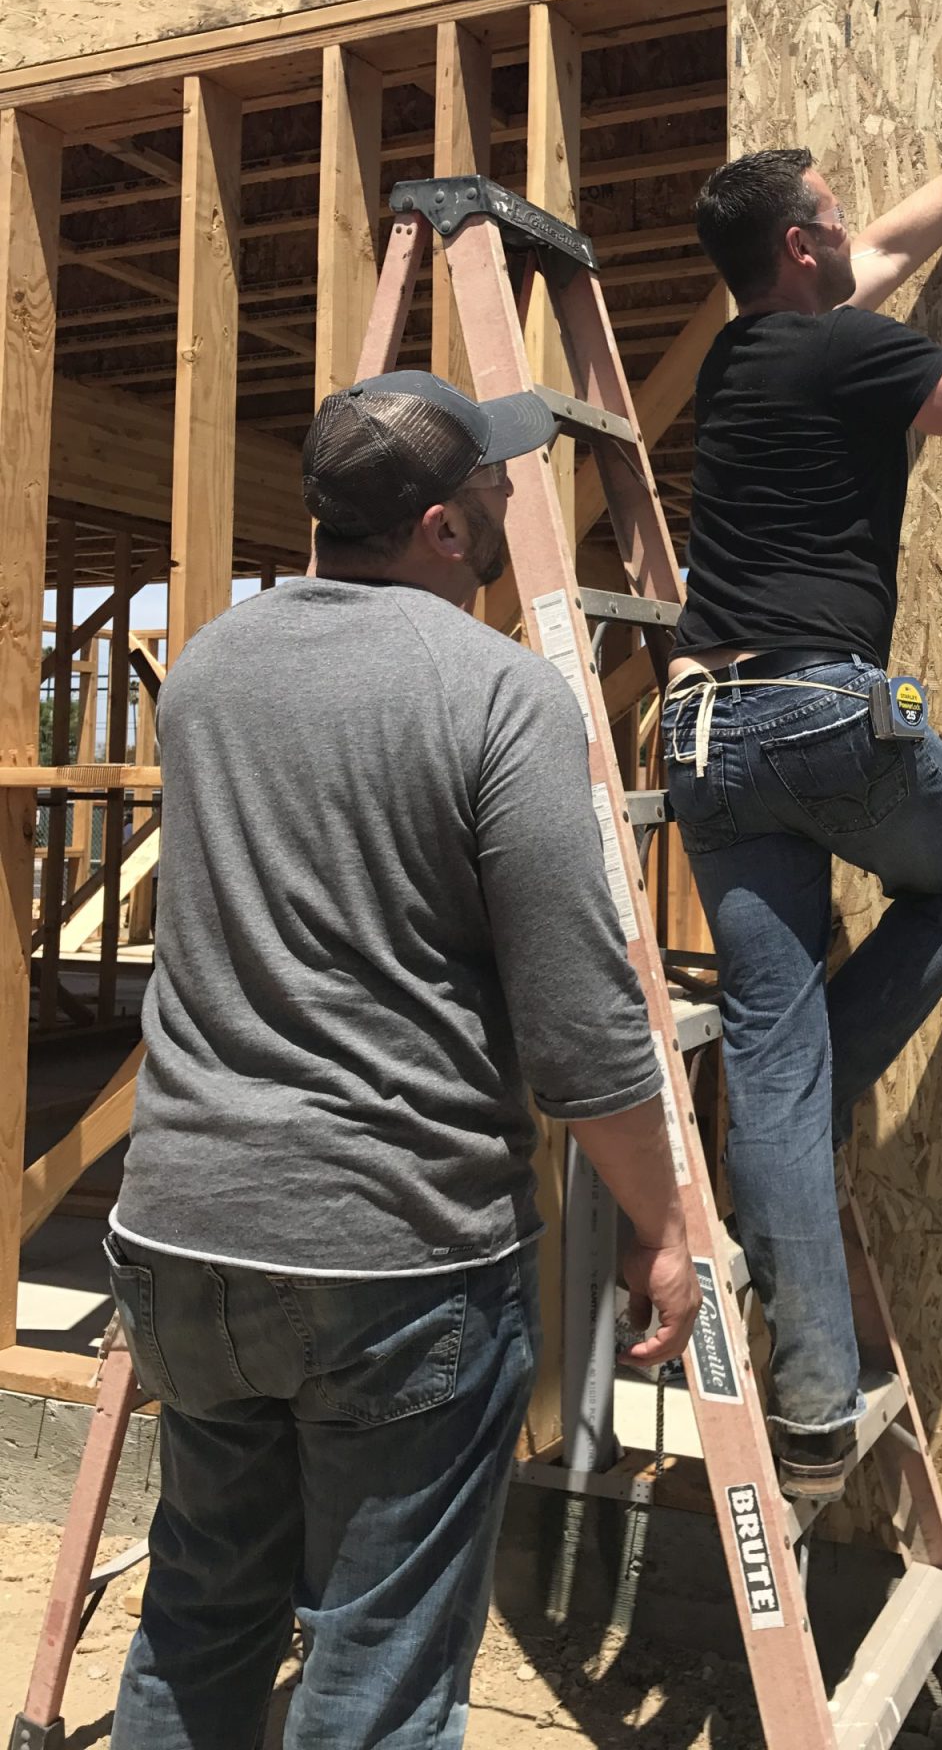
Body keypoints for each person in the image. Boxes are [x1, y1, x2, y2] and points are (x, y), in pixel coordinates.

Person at [106, 371, 701, 1750]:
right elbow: (578, 1022)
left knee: (201, 1617)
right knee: (377, 1668)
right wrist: (666, 1222)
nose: (511, 499)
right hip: (394, 1256)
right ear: (440, 527)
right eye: (494, 483)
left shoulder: (205, 670)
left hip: (181, 1236)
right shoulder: (499, 694)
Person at [662, 73, 942, 1502]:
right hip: (815, 711)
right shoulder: (842, 349)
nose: (856, 231)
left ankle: (807, 1404)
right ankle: (798, 1106)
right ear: (802, 247)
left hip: (701, 738)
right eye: (834, 218)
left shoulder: (743, 357)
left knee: (774, 1054)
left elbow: (898, 247)